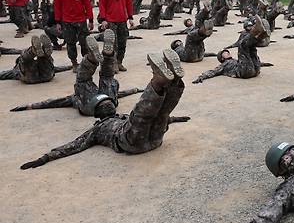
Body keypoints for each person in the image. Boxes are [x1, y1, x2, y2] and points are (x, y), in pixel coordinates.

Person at [19, 49, 190, 169]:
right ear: (98, 113)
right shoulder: (97, 129)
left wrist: (178, 119)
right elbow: (75, 145)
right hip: (131, 142)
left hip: (154, 140)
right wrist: (46, 157)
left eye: (108, 102)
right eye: (104, 105)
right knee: (141, 116)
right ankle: (159, 81)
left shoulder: (119, 117)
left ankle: (173, 81)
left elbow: (164, 116)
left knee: (162, 113)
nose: (108, 104)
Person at [10, 30, 143, 115]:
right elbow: (54, 101)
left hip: (97, 103)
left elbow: (54, 102)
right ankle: (97, 57)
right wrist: (136, 90)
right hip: (106, 104)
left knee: (101, 78)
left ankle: (102, 56)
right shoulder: (94, 100)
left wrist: (30, 106)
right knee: (96, 79)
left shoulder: (76, 99)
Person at [192, 16, 270, 83]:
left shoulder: (236, 61)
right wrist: (201, 77)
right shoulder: (224, 65)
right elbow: (213, 72)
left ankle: (261, 35)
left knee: (251, 47)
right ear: (222, 58)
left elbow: (248, 59)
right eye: (225, 53)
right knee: (242, 45)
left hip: (255, 69)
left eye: (227, 52)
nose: (228, 53)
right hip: (244, 72)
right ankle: (255, 32)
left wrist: (264, 64)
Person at [52, 0, 93, 69]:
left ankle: (86, 61)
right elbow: (57, 8)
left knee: (84, 42)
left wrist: (90, 20)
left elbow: (88, 6)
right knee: (70, 43)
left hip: (81, 20)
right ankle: (74, 63)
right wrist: (57, 22)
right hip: (67, 22)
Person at [98, 0, 134, 71]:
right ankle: (112, 63)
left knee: (123, 42)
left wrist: (130, 17)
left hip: (122, 20)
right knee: (112, 44)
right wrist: (103, 19)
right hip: (110, 20)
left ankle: (119, 62)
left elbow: (129, 4)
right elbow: (102, 5)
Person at [0, 34, 72, 83]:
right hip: (47, 76)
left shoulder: (15, 70)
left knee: (25, 59)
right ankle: (45, 53)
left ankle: (33, 51)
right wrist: (68, 67)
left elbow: (3, 75)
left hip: (30, 78)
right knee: (44, 60)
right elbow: (57, 68)